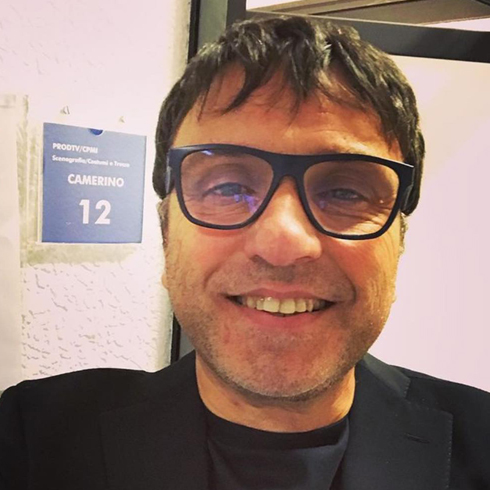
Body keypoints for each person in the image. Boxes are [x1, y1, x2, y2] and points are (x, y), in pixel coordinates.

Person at [1, 15, 489, 490]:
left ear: (398, 242)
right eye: (228, 186)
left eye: (345, 192)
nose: (283, 243)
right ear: (166, 234)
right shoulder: (30, 439)